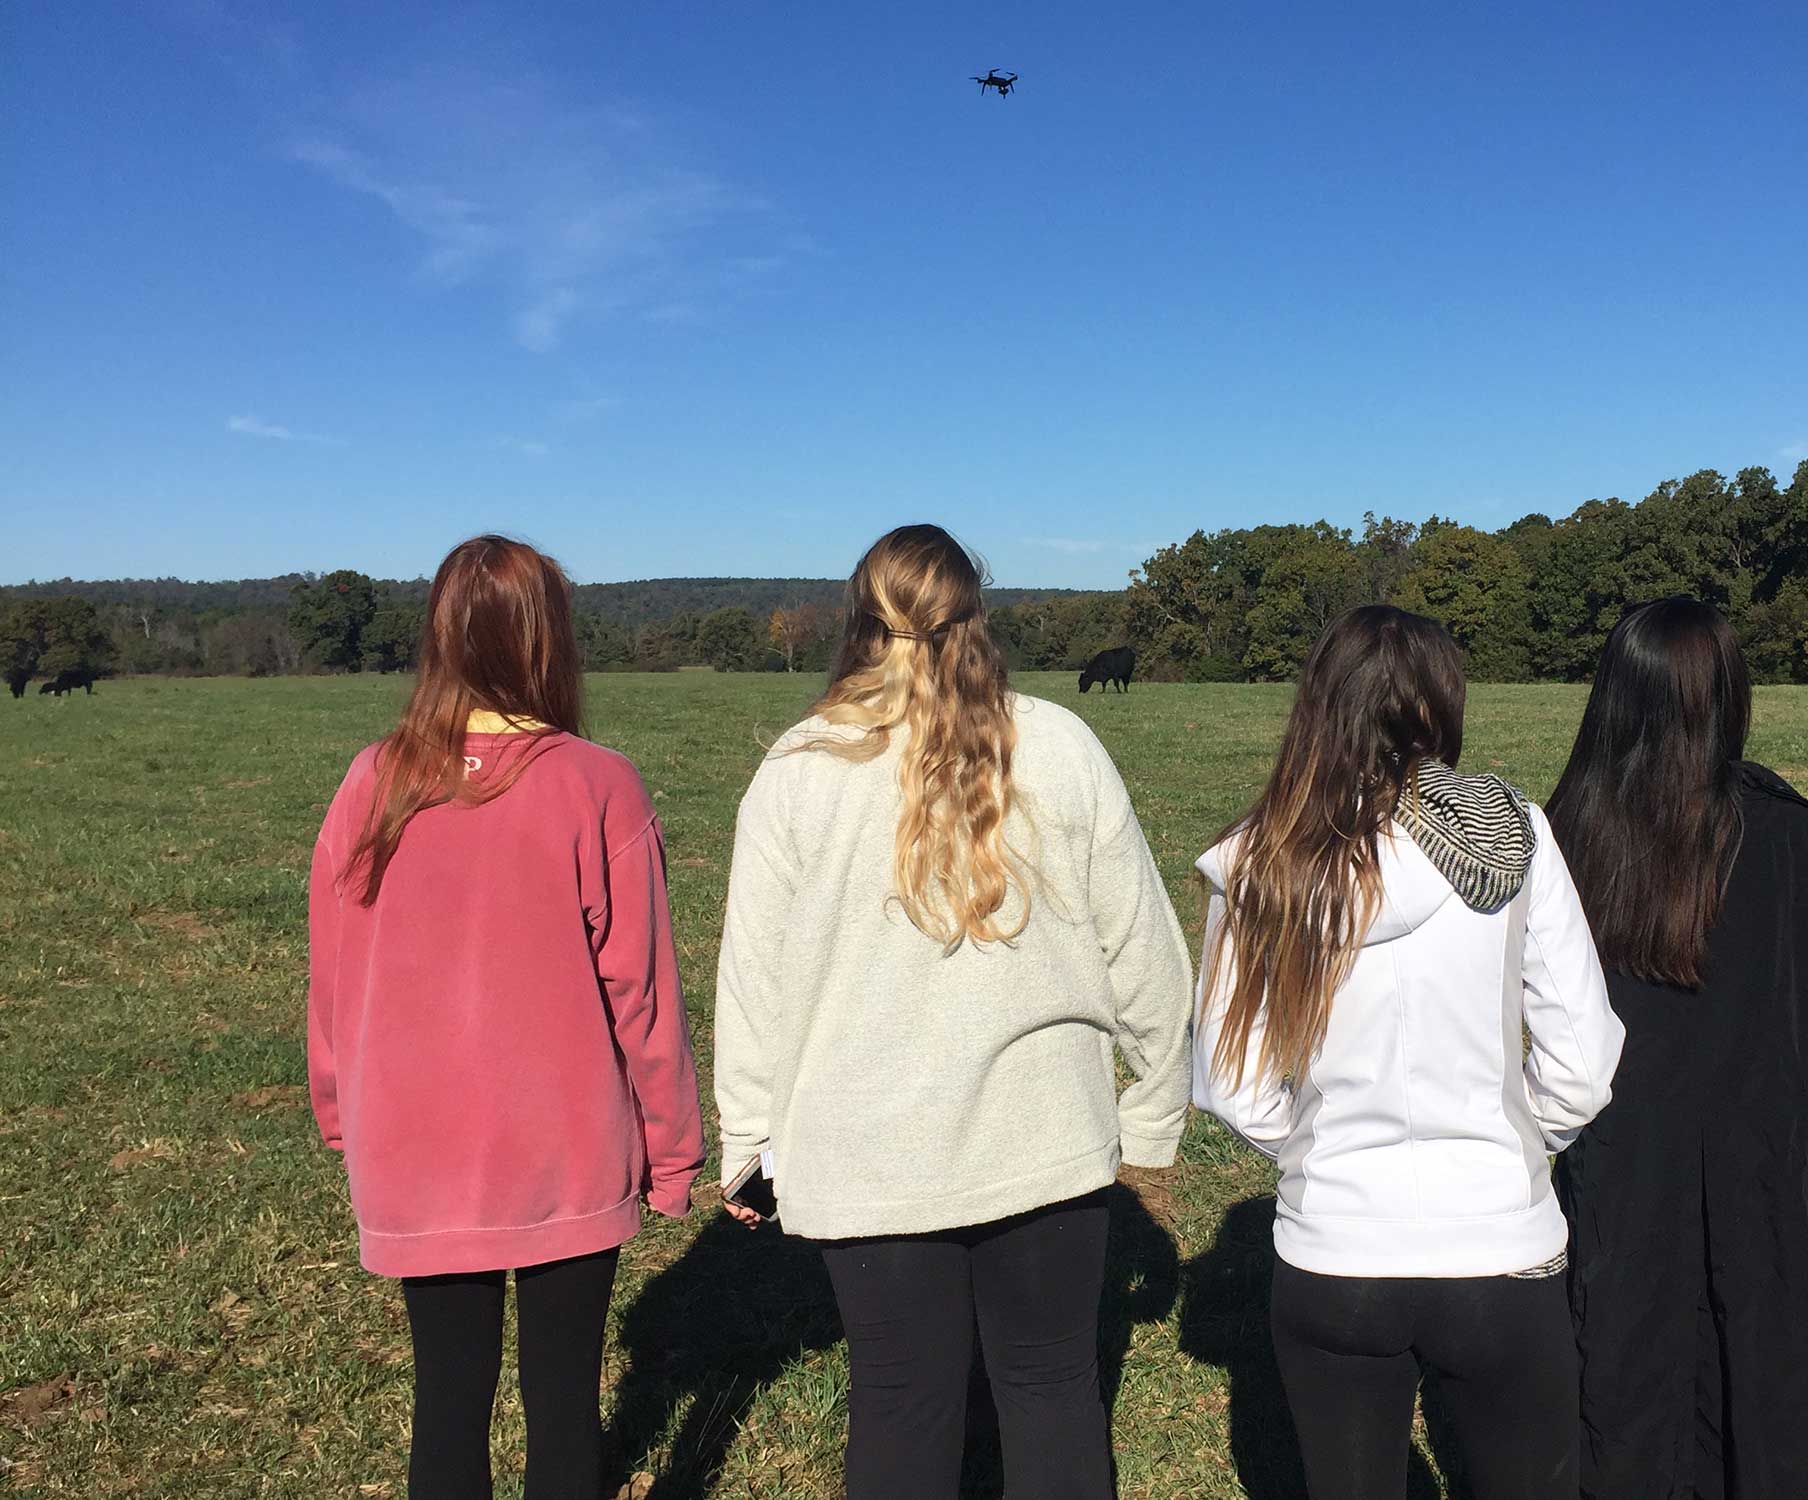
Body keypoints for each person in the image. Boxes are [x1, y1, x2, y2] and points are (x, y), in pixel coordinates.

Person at [713, 524, 1194, 1500]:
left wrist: (749, 1140)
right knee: (1055, 1393)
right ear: (976, 620)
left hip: (868, 1155)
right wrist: (1152, 1117)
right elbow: (1147, 952)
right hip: (1050, 1142)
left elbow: (749, 982)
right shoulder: (1060, 742)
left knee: (900, 1402)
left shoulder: (798, 769)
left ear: (859, 621)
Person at [1192, 605, 1624, 1500]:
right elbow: (1585, 1057)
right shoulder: (1516, 836)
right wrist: (1518, 1140)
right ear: (1442, 706)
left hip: (1335, 1249)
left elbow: (1230, 1082)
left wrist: (1315, 1143)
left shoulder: (1260, 857)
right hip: (1502, 1242)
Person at [306, 535, 703, 1500]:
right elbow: (640, 991)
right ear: (549, 641)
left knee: (447, 1399)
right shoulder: (599, 782)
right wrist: (675, 1151)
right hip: (565, 1147)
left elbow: (335, 969)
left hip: (415, 1148)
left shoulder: (375, 779)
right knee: (563, 1401)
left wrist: (338, 1107)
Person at [1544, 596, 1808, 1498]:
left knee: (1620, 1394)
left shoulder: (1564, 839)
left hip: (1618, 1176)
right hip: (1754, 1168)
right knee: (1750, 1402)